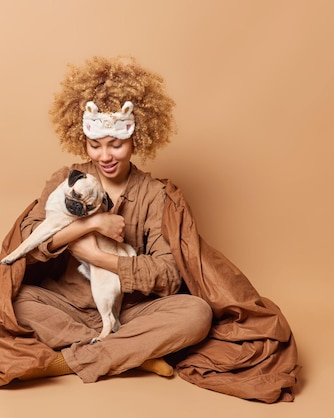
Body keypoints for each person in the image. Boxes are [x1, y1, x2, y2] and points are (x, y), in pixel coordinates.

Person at [12, 56, 213, 383]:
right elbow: (29, 241)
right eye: (95, 145)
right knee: (11, 302)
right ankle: (131, 353)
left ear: (138, 138)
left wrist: (98, 257)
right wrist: (89, 225)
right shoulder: (68, 179)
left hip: (130, 312)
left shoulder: (155, 195)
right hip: (65, 304)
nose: (105, 156)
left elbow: (168, 276)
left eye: (116, 145)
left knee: (196, 314)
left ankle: (68, 360)